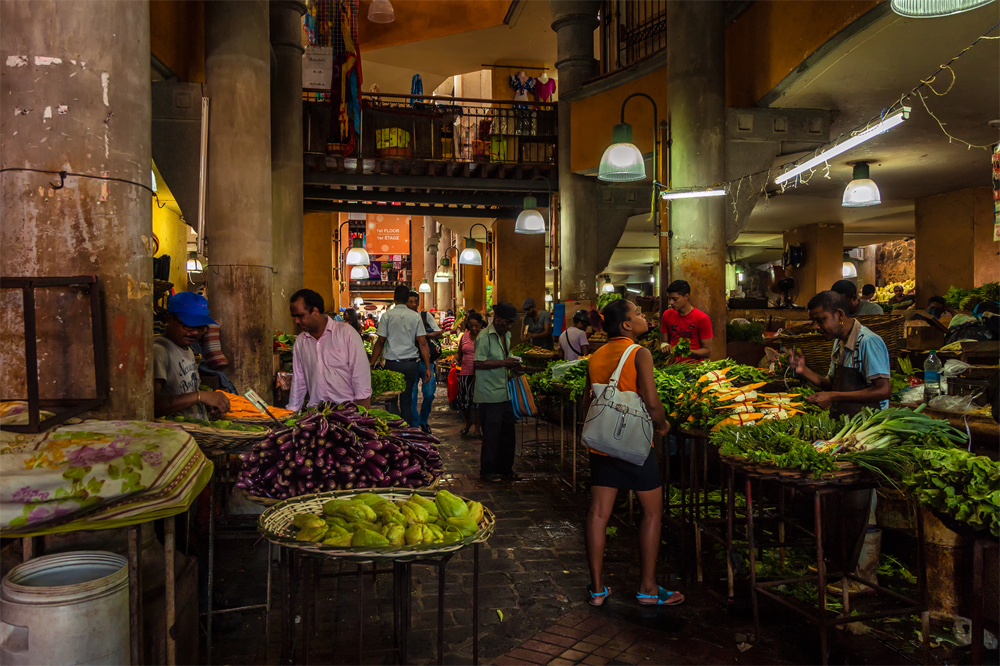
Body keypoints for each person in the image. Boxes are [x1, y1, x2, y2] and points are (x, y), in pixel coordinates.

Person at [582, 299, 678, 608]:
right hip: (636, 446)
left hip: (603, 446)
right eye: (637, 313)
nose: (642, 317)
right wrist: (662, 425)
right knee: (651, 513)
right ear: (626, 324)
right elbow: (651, 401)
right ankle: (647, 588)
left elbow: (588, 403)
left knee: (598, 514)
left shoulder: (594, 356)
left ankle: (597, 589)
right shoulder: (640, 353)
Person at [789, 290, 891, 416]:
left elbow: (884, 390)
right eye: (813, 321)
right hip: (848, 421)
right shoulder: (839, 342)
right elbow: (832, 385)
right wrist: (803, 370)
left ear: (839, 315)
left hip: (870, 423)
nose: (815, 327)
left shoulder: (868, 341)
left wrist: (833, 396)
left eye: (820, 320)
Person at [287, 289, 372, 410]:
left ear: (315, 311)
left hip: (347, 412)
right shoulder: (301, 341)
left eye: (300, 316)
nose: (296, 321)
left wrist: (363, 415)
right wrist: (293, 410)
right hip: (316, 413)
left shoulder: (347, 334)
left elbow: (360, 376)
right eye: (294, 317)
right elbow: (299, 381)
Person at [154, 292, 231, 418]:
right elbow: (153, 406)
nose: (195, 332)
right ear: (169, 319)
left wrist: (205, 404)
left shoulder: (188, 349)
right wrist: (199, 396)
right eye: (188, 326)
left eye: (201, 327)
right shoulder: (160, 352)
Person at [474, 302, 522, 481]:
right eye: (507, 322)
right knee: (492, 437)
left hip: (504, 392)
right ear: (498, 319)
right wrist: (504, 363)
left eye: (511, 323)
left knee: (508, 435)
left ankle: (505, 470)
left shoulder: (506, 335)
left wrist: (512, 364)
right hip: (489, 394)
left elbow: (503, 359)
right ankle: (487, 472)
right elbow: (478, 363)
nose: (509, 326)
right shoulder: (484, 337)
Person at [370, 285, 431, 425]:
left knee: (391, 401)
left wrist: (372, 363)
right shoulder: (415, 316)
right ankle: (407, 433)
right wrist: (427, 367)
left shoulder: (387, 316)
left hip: (392, 364)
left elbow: (380, 341)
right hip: (411, 364)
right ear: (406, 298)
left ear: (394, 298)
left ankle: (394, 432)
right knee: (406, 400)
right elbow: (422, 342)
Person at [408, 290, 443, 433]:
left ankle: (424, 420)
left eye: (415, 301)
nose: (413, 304)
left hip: (426, 362)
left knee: (429, 394)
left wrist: (423, 336)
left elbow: (439, 333)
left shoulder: (425, 316)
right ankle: (415, 424)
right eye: (410, 301)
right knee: (412, 395)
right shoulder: (404, 318)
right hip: (411, 361)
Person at [659, 280, 713, 362]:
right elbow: (663, 341)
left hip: (694, 368)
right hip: (671, 367)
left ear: (687, 296)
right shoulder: (667, 315)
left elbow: (707, 351)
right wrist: (664, 346)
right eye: (669, 299)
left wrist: (686, 352)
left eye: (675, 299)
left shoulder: (702, 318)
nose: (671, 302)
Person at [456, 312, 485, 437]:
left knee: (479, 402)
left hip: (480, 374)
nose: (474, 328)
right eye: (471, 325)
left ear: (480, 325)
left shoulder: (484, 336)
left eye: (476, 326)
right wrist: (455, 359)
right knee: (465, 402)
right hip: (465, 373)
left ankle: (478, 428)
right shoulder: (464, 336)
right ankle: (468, 422)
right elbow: (459, 353)